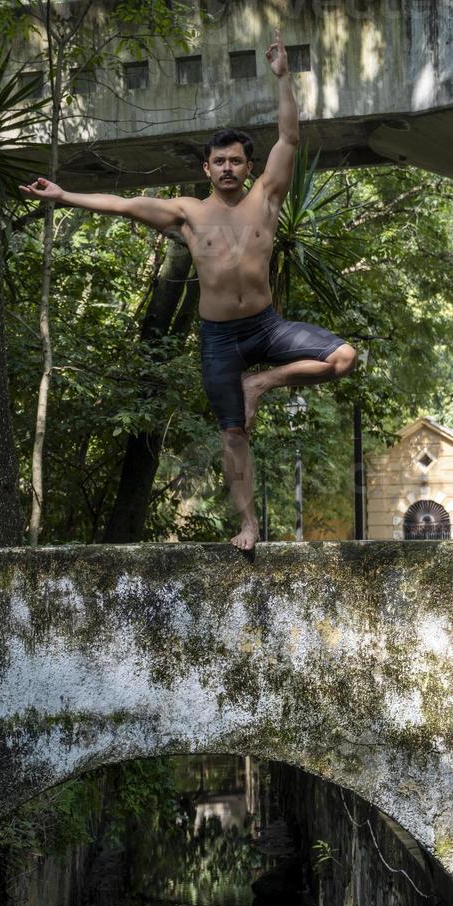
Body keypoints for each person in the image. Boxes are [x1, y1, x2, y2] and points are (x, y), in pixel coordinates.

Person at [19, 29, 357, 551]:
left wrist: (284, 78)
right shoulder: (187, 214)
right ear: (207, 167)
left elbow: (289, 137)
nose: (227, 168)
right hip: (220, 339)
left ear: (249, 166)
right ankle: (247, 525)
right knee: (232, 434)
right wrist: (64, 196)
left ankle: (260, 385)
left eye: (236, 161)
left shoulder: (267, 199)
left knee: (343, 357)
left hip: (267, 328)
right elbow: (122, 204)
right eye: (218, 161)